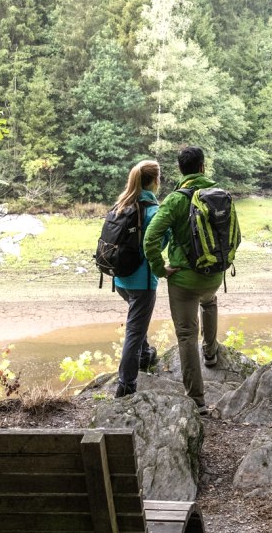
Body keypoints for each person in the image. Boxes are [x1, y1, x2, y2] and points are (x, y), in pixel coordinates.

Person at [142, 146, 225, 411]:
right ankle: (210, 352)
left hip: (183, 281)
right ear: (202, 167)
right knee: (209, 302)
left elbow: (150, 238)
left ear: (180, 170)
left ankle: (197, 400)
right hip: (214, 275)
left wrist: (159, 269)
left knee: (187, 334)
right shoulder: (219, 195)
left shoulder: (175, 200)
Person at [111, 160, 162, 398]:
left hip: (120, 279)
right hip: (143, 282)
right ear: (155, 181)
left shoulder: (122, 204)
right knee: (134, 330)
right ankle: (126, 385)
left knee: (137, 322)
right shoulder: (152, 211)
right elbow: (158, 244)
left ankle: (145, 355)